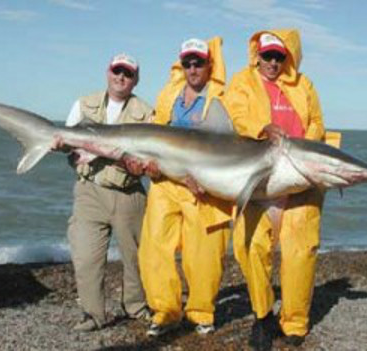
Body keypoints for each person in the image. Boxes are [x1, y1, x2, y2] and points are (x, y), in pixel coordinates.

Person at [223, 29, 328, 350]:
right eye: (266, 55)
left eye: (278, 57)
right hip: (261, 178)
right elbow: (234, 114)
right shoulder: (242, 81)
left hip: (299, 178)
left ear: (288, 58)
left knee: (300, 252)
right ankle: (263, 315)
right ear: (257, 54)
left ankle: (295, 322)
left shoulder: (304, 84)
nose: (272, 62)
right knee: (249, 246)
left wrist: (303, 154)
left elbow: (317, 123)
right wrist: (259, 128)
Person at [137, 37, 232, 337]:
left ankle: (201, 312)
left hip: (202, 188)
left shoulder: (222, 97)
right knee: (154, 249)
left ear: (208, 65)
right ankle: (165, 311)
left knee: (204, 253)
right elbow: (154, 133)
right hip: (165, 182)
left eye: (198, 62)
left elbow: (233, 142)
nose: (192, 69)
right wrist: (149, 164)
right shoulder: (169, 94)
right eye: (187, 63)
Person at [64, 53, 154, 331]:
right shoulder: (83, 105)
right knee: (86, 256)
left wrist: (139, 166)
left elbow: (149, 160)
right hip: (90, 191)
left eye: (127, 73)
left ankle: (137, 306)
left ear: (136, 80)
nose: (121, 77)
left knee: (137, 257)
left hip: (129, 194)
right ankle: (93, 314)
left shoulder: (147, 113)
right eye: (117, 71)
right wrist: (68, 150)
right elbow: (68, 145)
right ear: (108, 72)